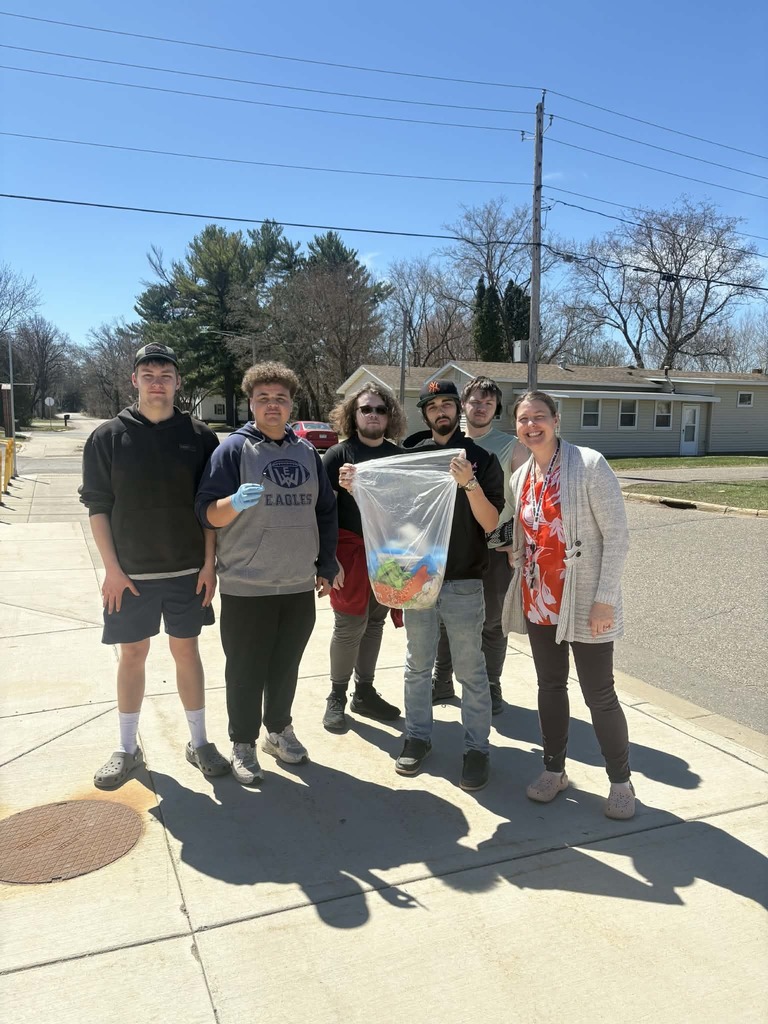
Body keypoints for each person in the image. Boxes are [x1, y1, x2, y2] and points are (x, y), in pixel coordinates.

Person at [341, 380, 504, 792]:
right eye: (434, 406)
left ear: (458, 411)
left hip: (464, 579)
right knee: (417, 665)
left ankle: (477, 748)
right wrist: (355, 484)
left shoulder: (481, 460)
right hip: (416, 577)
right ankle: (417, 737)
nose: (442, 411)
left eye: (449, 404)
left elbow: (489, 523)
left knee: (470, 669)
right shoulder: (409, 458)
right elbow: (391, 510)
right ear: (426, 413)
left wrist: (469, 484)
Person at [80, 342, 229, 789]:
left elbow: (209, 509)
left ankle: (199, 742)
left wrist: (209, 566)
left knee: (187, 652)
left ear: (178, 382)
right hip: (130, 576)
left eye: (165, 374)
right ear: (135, 381)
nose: (157, 381)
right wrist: (111, 568)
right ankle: (127, 748)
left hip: (187, 572)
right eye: (149, 374)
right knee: (133, 655)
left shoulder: (201, 436)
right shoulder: (107, 437)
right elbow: (97, 506)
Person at [195, 362, 338, 786]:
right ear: (251, 403)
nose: (272, 405)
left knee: (285, 665)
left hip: (297, 581)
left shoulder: (307, 452)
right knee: (245, 669)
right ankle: (243, 742)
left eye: (280, 398)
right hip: (246, 584)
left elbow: (326, 511)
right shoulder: (233, 450)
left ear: (292, 404)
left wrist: (326, 563)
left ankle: (278, 731)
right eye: (263, 398)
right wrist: (233, 503)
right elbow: (205, 511)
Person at [498, 390, 635, 819]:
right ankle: (554, 770)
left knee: (599, 694)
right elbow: (528, 533)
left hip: (583, 602)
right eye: (524, 419)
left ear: (556, 420)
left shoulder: (590, 466)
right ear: (516, 427)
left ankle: (620, 780)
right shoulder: (521, 476)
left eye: (539, 416)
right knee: (550, 686)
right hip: (540, 600)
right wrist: (518, 555)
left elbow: (617, 537)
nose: (531, 425)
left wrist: (605, 602)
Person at [430, 375, 528, 713]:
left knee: (492, 621)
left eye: (488, 402)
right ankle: (441, 681)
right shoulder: (446, 442)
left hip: (495, 545)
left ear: (496, 408)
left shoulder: (512, 446)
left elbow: (527, 497)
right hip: (452, 545)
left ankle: (491, 683)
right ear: (463, 405)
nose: (481, 406)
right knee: (444, 617)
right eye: (475, 400)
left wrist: (518, 538)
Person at [321, 384, 406, 733]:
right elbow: (320, 511)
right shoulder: (337, 456)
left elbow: (407, 506)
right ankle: (336, 696)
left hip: (387, 552)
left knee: (374, 623)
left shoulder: (399, 456)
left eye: (380, 409)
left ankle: (364, 692)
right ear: (352, 415)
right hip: (348, 553)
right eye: (365, 409)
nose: (373, 415)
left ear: (390, 416)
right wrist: (327, 559)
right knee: (348, 626)